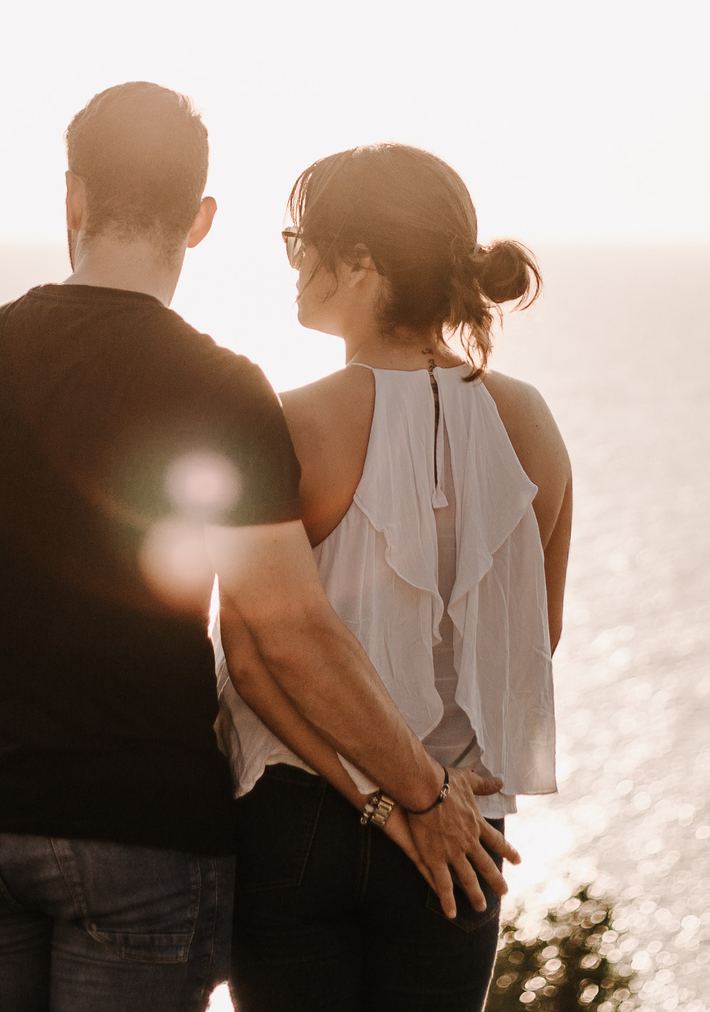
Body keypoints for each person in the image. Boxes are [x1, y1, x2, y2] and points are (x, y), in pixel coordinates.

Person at [0, 85, 514, 1012]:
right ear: (201, 219)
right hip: (144, 831)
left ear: (74, 196)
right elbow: (287, 624)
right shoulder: (222, 389)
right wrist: (421, 795)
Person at [218, 144, 573, 1012]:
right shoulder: (531, 422)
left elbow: (251, 660)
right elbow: (539, 636)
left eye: (301, 239)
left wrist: (382, 799)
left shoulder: (290, 423)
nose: (292, 260)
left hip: (302, 810)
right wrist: (431, 795)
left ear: (361, 261)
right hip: (463, 831)